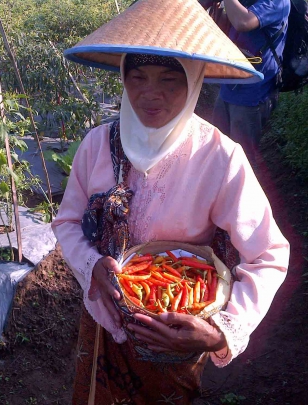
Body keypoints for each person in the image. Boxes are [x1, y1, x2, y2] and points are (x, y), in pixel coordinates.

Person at [53, 0, 290, 403]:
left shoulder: (219, 158)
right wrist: (92, 266)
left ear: (195, 81)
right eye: (138, 76)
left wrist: (219, 331)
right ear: (123, 78)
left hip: (176, 334)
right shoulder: (97, 145)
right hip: (105, 319)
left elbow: (268, 255)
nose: (151, 94)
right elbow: (68, 222)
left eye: (170, 80)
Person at [210, 0, 290, 163]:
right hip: (229, 87)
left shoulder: (278, 2)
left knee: (241, 159)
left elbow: (243, 22)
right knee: (217, 149)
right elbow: (229, 24)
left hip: (253, 95)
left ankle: (239, 188)